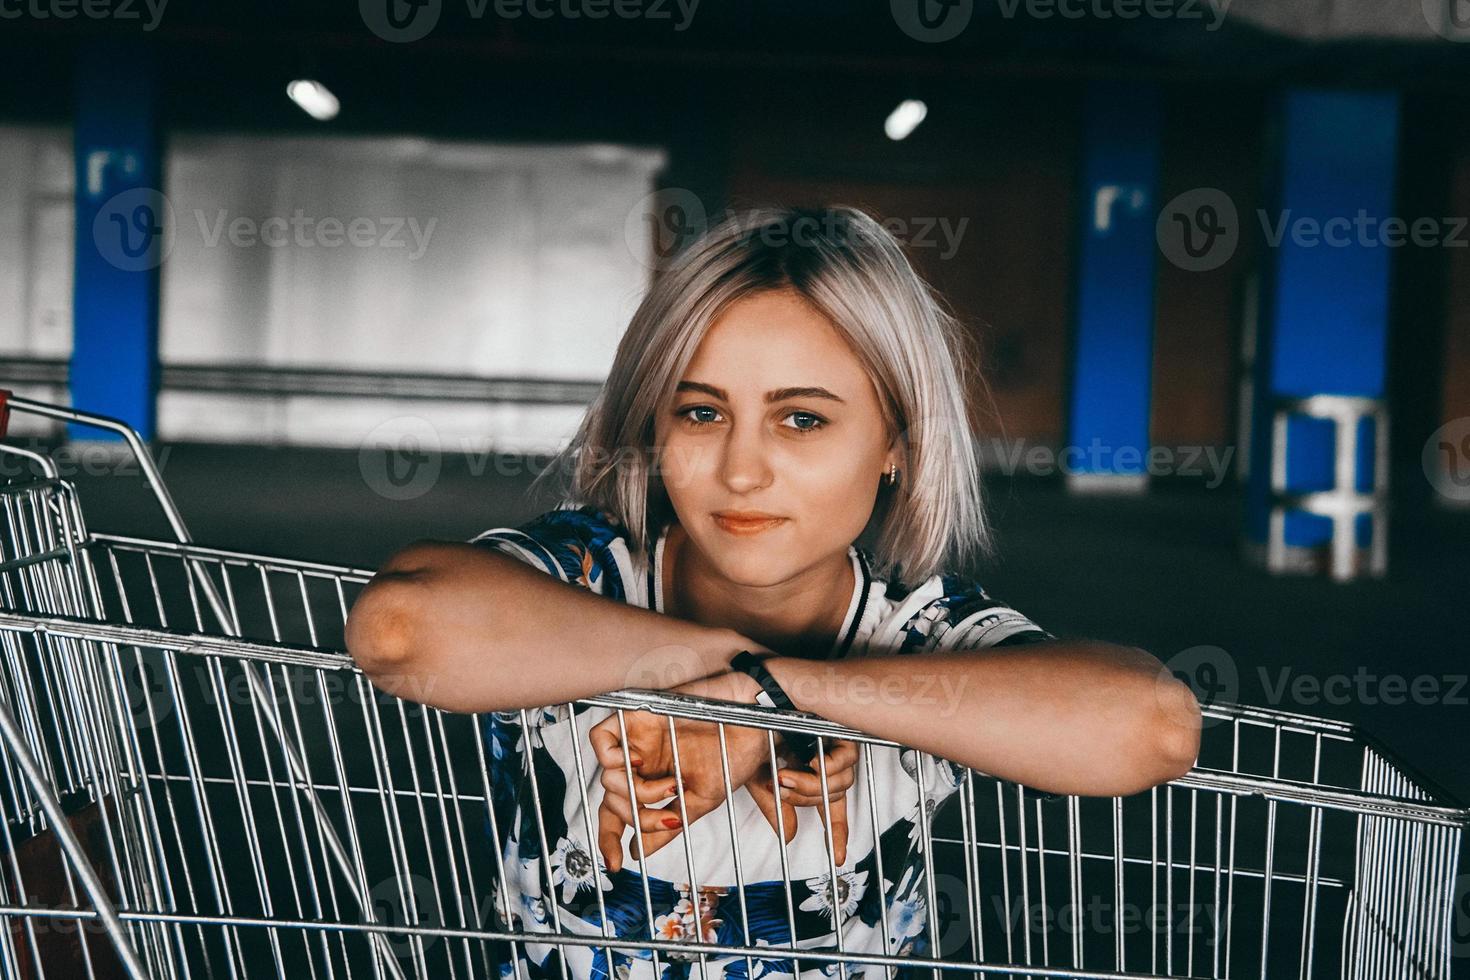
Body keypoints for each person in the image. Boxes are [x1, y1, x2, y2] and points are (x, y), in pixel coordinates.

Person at [345, 205, 1203, 979]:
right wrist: (729, 674)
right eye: (701, 414)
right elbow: (399, 629)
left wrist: (780, 696)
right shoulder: (586, 576)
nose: (742, 470)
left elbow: (1153, 727)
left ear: (897, 444)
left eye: (802, 419)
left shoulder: (922, 630)